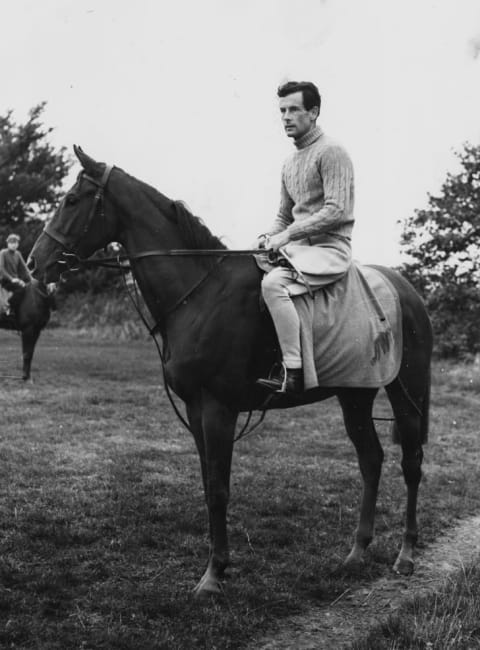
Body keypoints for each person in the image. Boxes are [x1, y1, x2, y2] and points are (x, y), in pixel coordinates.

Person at [256, 81, 355, 394]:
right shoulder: (289, 163)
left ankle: (293, 371)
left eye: (294, 109)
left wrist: (286, 235)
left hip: (329, 250)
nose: (286, 117)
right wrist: (267, 237)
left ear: (313, 112)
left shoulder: (332, 152)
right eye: (282, 110)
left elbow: (337, 210)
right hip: (297, 251)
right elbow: (284, 215)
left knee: (273, 285)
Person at [0, 233, 31, 315]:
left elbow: (25, 269)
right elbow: (1, 268)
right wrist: (11, 279)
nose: (14, 245)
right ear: (8, 244)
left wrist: (32, 279)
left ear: (18, 244)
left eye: (15, 243)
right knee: (21, 290)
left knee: (29, 288)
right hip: (5, 280)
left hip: (16, 280)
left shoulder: (18, 254)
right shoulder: (3, 253)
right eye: (11, 243)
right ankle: (8, 306)